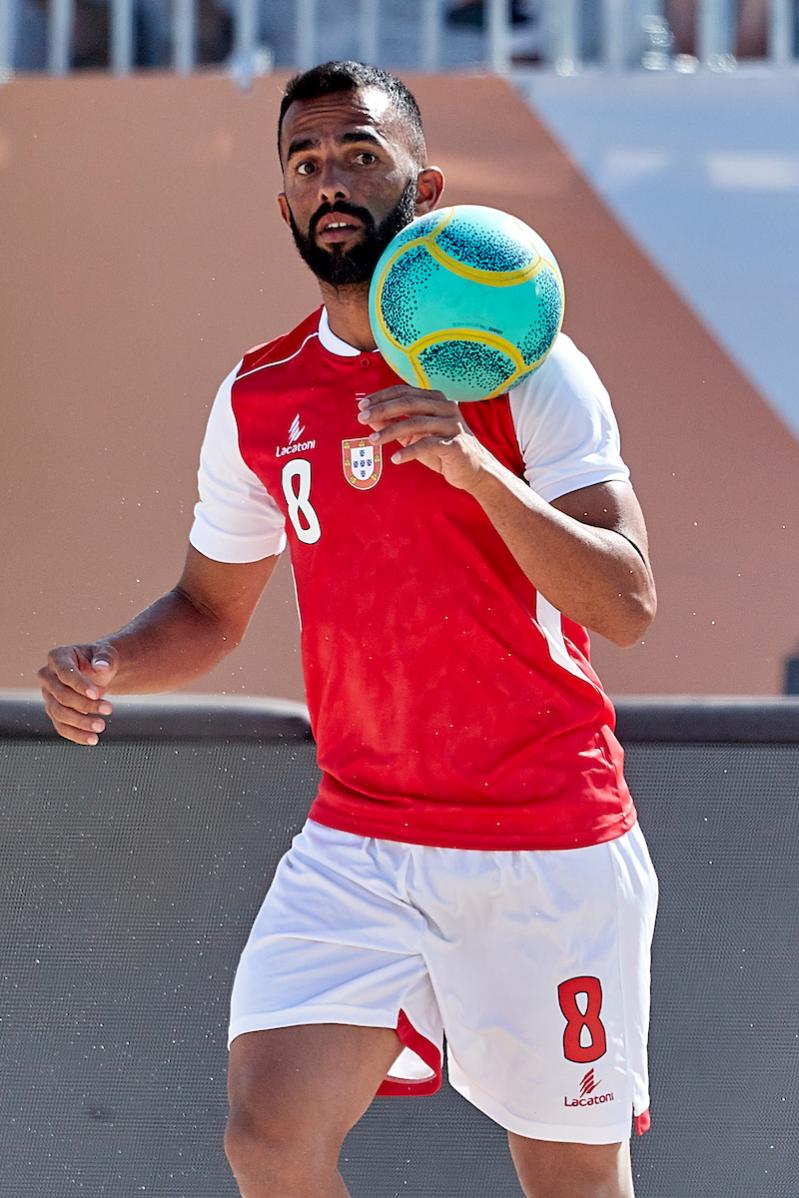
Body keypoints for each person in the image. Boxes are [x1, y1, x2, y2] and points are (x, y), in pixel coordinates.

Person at [38, 60, 659, 1198]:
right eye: (306, 161)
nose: (330, 179)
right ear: (283, 204)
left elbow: (625, 602)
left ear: (425, 190)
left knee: (570, 1177)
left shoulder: (524, 363)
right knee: (269, 1135)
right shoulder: (259, 396)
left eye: (360, 154)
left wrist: (473, 469)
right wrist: (111, 661)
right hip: (359, 835)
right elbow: (208, 610)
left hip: (545, 839)